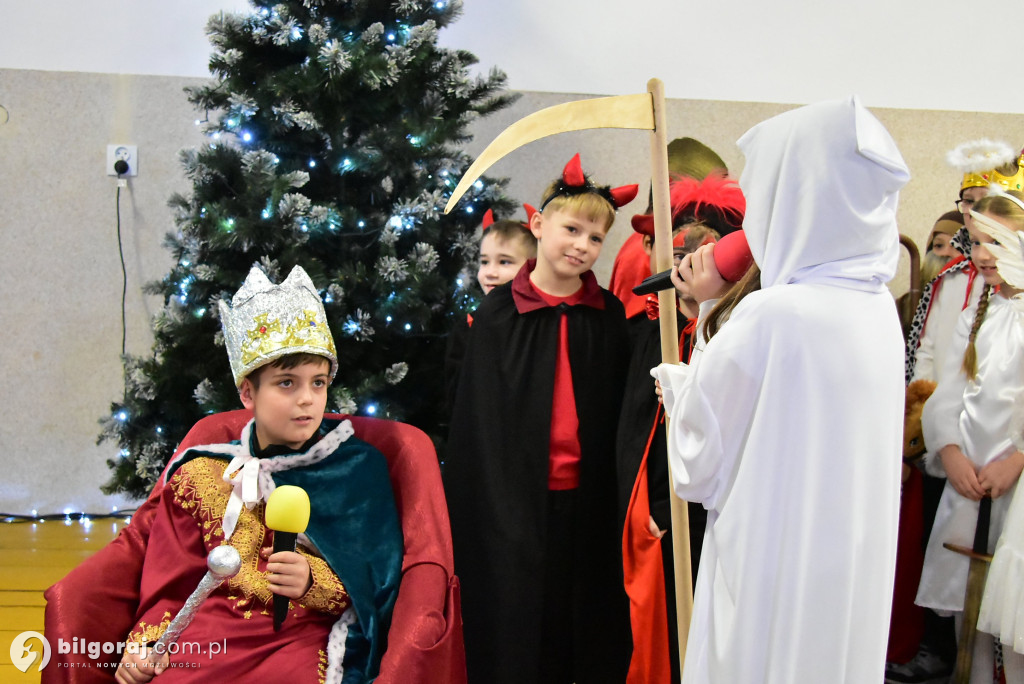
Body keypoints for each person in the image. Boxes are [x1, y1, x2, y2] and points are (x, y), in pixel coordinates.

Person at [651, 96, 909, 683]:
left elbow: (700, 467)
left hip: (773, 565)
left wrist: (705, 319)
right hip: (841, 565)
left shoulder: (775, 315)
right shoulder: (874, 307)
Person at [113, 265, 403, 683]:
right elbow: (170, 582)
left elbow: (381, 579)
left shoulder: (358, 470)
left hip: (299, 637)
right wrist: (147, 646)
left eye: (318, 382)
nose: (307, 399)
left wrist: (312, 580)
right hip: (209, 633)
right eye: (287, 383)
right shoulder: (203, 472)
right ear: (247, 391)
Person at [444, 153, 637, 683]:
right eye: (571, 229)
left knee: (580, 617)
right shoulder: (499, 314)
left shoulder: (607, 316)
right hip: (512, 502)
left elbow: (618, 413)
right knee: (516, 615)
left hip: (588, 497)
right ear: (538, 225)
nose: (581, 245)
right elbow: (478, 424)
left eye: (595, 238)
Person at [617, 173, 744, 684]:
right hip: (661, 505)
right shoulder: (651, 331)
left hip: (721, 512)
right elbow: (636, 435)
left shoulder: (738, 332)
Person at [916, 191, 1024, 683]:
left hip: (1015, 482)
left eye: (995, 242)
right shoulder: (978, 313)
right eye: (977, 242)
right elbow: (948, 396)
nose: (981, 255)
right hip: (971, 482)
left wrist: (1018, 458)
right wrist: (952, 453)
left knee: (1016, 614)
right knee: (970, 612)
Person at [444, 206, 537, 408]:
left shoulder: (538, 324)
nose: (490, 272)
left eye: (504, 262)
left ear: (533, 268)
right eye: (484, 262)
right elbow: (455, 393)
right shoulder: (468, 326)